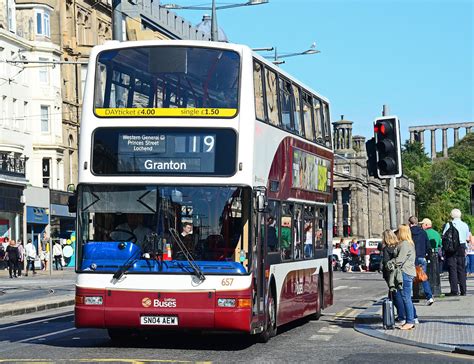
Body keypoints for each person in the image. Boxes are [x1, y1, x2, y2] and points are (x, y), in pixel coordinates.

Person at [392, 225, 417, 330]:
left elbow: (399, 260)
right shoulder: (408, 243)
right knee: (406, 297)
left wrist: (390, 263)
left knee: (406, 298)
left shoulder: (405, 244)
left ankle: (410, 321)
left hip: (405, 272)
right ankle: (409, 320)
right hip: (407, 272)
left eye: (398, 231)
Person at [442, 209, 471, 296]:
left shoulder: (449, 224)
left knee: (452, 269)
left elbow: (444, 236)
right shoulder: (465, 225)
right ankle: (463, 290)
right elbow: (467, 238)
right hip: (461, 247)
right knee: (461, 269)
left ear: (452, 215)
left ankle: (454, 290)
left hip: (451, 248)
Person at [409, 216, 434, 305]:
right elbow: (428, 246)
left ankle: (410, 296)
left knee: (410, 278)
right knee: (423, 278)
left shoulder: (408, 233)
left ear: (410, 223)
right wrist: (428, 257)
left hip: (411, 258)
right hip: (422, 257)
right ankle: (429, 297)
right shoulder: (423, 232)